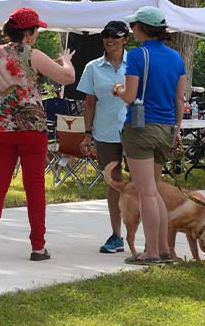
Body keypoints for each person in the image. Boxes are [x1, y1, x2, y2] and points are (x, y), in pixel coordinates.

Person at [0, 8, 75, 261]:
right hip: (32, 129)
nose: (37, 34)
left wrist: (3, 94)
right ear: (28, 33)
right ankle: (38, 247)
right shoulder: (34, 55)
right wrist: (66, 59)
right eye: (36, 30)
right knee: (35, 187)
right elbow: (68, 77)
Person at [112, 6, 186, 265]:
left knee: (146, 193)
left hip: (141, 129)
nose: (131, 31)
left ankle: (152, 252)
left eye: (134, 26)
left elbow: (130, 97)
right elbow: (179, 98)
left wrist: (118, 89)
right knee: (154, 190)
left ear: (143, 28)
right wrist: (176, 129)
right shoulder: (177, 57)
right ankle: (164, 249)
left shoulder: (136, 55)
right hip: (166, 128)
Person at [77, 21, 129, 254]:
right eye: (106, 35)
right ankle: (116, 235)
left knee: (142, 183)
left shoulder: (136, 63)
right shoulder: (93, 67)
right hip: (105, 131)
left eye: (115, 36)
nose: (109, 40)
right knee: (114, 182)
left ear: (126, 39)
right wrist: (87, 133)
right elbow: (89, 103)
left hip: (135, 130)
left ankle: (147, 235)